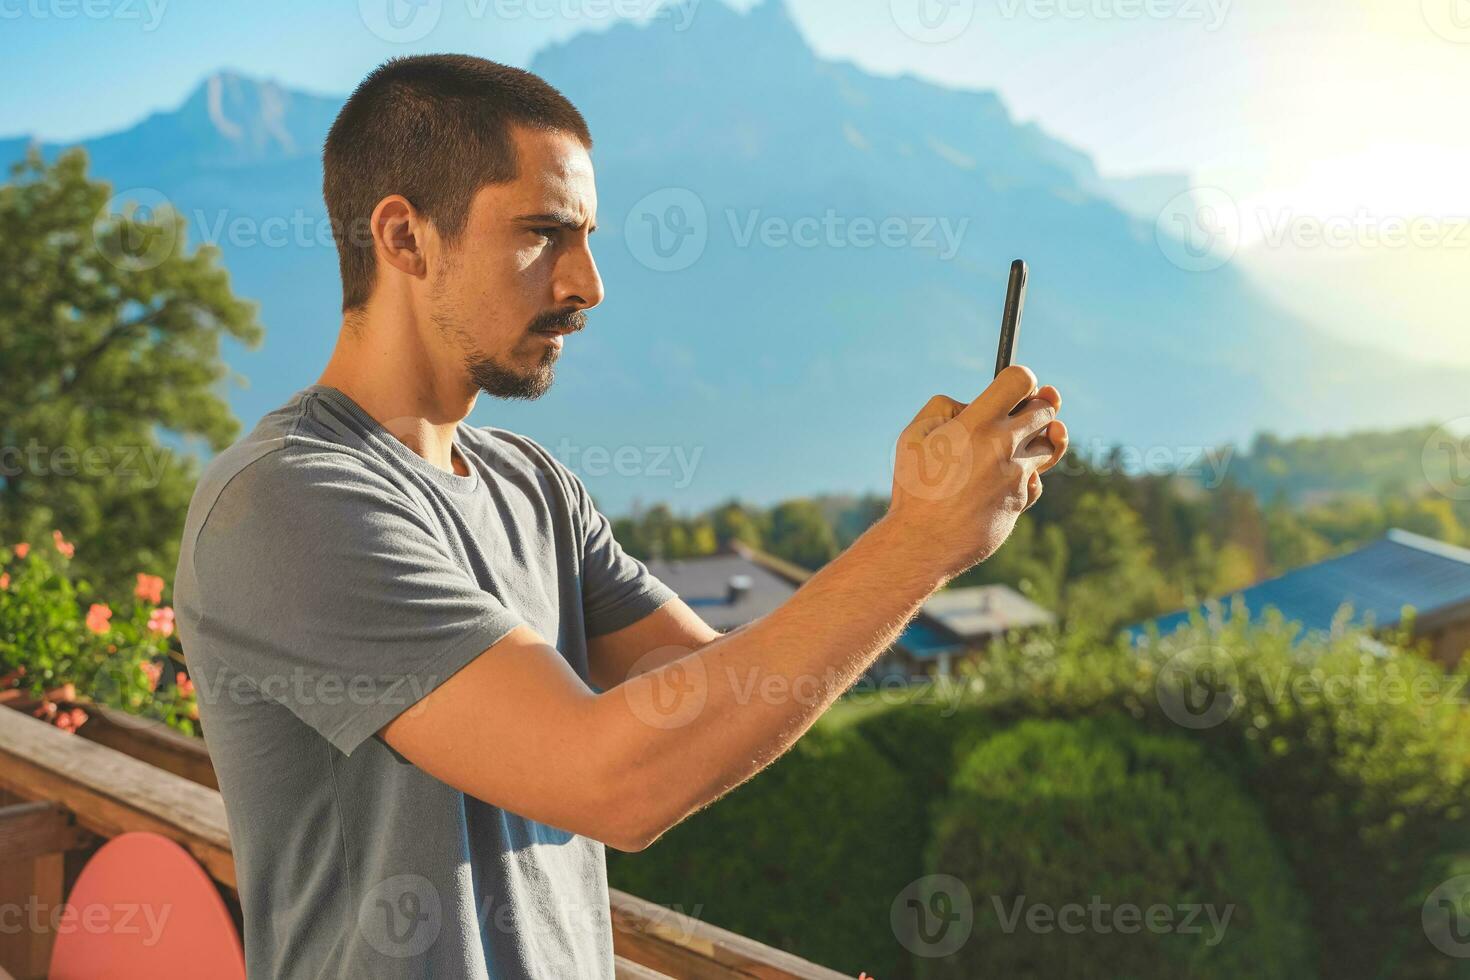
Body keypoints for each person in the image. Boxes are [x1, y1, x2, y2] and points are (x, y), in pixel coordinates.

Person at [173, 53, 1068, 980]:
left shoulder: (533, 486)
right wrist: (916, 544)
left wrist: (919, 514)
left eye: (589, 236)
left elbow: (710, 698)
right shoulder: (289, 501)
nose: (587, 284)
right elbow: (615, 779)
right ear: (404, 237)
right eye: (544, 233)